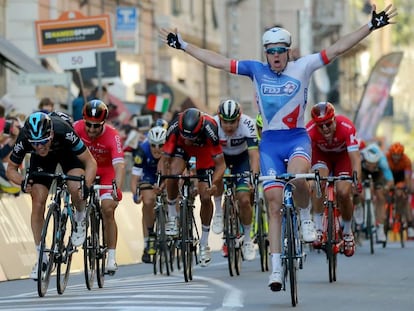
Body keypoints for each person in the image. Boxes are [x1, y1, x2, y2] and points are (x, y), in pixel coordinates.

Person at [160, 3, 397, 291]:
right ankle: (275, 270)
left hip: (296, 137)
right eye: (270, 51)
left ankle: (307, 216)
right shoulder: (255, 70)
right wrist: (183, 45)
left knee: (298, 178)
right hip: (270, 143)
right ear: (265, 53)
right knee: (273, 203)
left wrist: (370, 26)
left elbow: (336, 48)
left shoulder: (304, 66)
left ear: (288, 51)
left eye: (280, 50)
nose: (275, 56)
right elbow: (218, 61)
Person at [6, 112, 97, 279]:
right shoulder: (25, 137)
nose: (39, 147)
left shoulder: (64, 131)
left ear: (51, 134)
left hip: (67, 154)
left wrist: (87, 186)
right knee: (38, 200)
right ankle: (42, 256)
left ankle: (79, 217)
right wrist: (22, 181)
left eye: (42, 141)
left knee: (76, 186)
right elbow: (11, 169)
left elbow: (90, 162)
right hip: (42, 162)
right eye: (35, 143)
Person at [159, 108, 226, 267]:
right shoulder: (175, 125)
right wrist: (164, 175)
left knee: (204, 196)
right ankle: (173, 216)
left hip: (204, 152)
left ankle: (204, 243)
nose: (189, 139)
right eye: (185, 136)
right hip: (182, 150)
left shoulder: (211, 129)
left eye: (192, 136)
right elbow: (165, 158)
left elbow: (221, 165)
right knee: (173, 175)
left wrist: (214, 184)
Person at [73, 100, 125, 274]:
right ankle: (79, 218)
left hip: (106, 171)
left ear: (104, 123)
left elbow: (119, 166)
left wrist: (116, 187)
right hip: (84, 168)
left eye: (97, 126)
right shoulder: (76, 128)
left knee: (108, 210)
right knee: (77, 191)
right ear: (83, 120)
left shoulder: (113, 135)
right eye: (89, 125)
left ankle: (111, 256)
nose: (92, 130)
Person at [306, 102, 361, 257]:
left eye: (328, 124)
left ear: (334, 119)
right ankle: (318, 228)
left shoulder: (347, 126)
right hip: (321, 156)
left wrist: (357, 180)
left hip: (342, 157)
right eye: (320, 125)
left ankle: (348, 232)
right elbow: (305, 157)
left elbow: (355, 158)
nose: (325, 129)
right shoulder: (309, 131)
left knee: (344, 193)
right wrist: (309, 178)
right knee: (318, 182)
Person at [211, 99, 260, 261]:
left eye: (233, 122)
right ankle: (218, 211)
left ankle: (247, 239)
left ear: (239, 119)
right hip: (221, 159)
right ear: (220, 118)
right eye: (225, 122)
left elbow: (254, 154)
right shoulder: (213, 125)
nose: (229, 126)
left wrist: (253, 176)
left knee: (245, 200)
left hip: (241, 160)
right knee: (216, 178)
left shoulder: (248, 123)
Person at [130, 125, 167, 263]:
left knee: (173, 191)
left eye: (161, 145)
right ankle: (149, 240)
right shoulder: (142, 151)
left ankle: (172, 225)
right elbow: (134, 179)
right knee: (148, 200)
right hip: (148, 175)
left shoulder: (170, 150)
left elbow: (172, 174)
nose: (157, 149)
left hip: (165, 173)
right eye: (154, 145)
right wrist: (135, 195)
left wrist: (163, 186)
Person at [360, 142, 394, 242]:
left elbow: (390, 180)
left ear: (377, 162)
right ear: (365, 160)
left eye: (373, 165)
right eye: (369, 164)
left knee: (380, 196)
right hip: (363, 172)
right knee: (359, 192)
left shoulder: (382, 162)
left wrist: (387, 187)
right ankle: (360, 211)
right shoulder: (360, 157)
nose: (371, 167)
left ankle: (380, 229)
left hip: (377, 175)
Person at [386, 142, 414, 238]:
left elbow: (407, 178)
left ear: (402, 155)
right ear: (391, 153)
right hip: (390, 175)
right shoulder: (386, 158)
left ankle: (409, 224)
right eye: (394, 155)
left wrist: (407, 188)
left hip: (401, 177)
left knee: (402, 195)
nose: (396, 158)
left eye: (398, 155)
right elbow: (383, 174)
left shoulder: (406, 161)